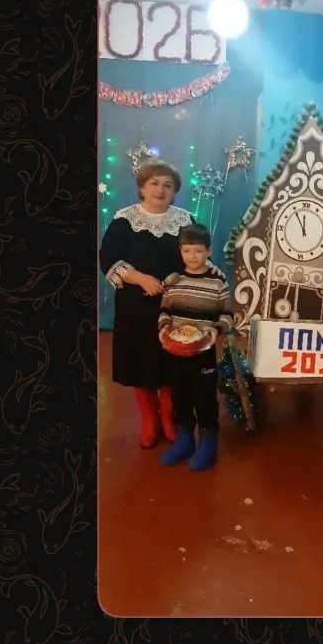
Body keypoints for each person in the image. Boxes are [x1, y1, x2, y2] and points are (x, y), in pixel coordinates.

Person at [99, 161, 223, 449]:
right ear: (142, 188)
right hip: (136, 307)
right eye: (154, 183)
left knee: (173, 363)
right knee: (140, 362)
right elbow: (109, 261)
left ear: (174, 191)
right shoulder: (123, 221)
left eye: (168, 185)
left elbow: (197, 254)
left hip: (178, 306)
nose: (161, 189)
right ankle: (149, 419)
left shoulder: (185, 220)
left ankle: (169, 417)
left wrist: (211, 271)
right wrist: (142, 279)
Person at [158, 224, 233, 471]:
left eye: (199, 251)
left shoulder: (218, 282)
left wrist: (217, 330)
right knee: (179, 397)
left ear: (209, 251)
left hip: (203, 354)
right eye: (187, 250)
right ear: (180, 251)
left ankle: (208, 442)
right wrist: (164, 328)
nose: (193, 256)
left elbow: (228, 315)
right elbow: (164, 311)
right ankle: (184, 440)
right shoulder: (174, 281)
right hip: (175, 353)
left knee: (204, 398)